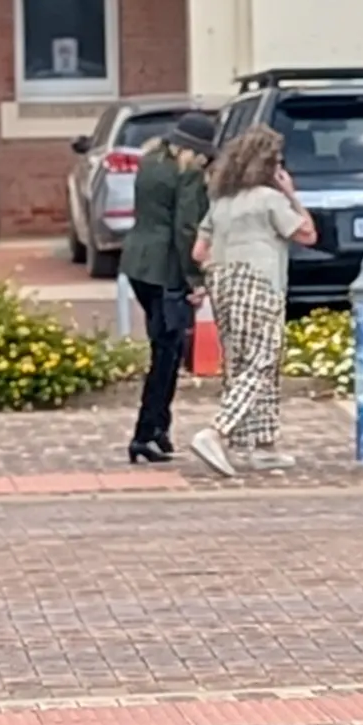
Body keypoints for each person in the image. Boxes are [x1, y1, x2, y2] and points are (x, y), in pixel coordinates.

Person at [186, 122, 314, 477]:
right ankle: (216, 431)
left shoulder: (221, 201)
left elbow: (199, 251)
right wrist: (292, 194)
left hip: (224, 281)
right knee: (263, 360)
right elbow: (307, 233)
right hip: (261, 282)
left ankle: (263, 443)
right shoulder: (270, 199)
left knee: (243, 363)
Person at [117, 112, 216, 465]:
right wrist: (196, 277)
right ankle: (144, 433)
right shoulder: (187, 174)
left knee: (164, 345)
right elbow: (186, 228)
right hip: (166, 269)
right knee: (167, 354)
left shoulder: (150, 162)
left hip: (137, 263)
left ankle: (160, 427)